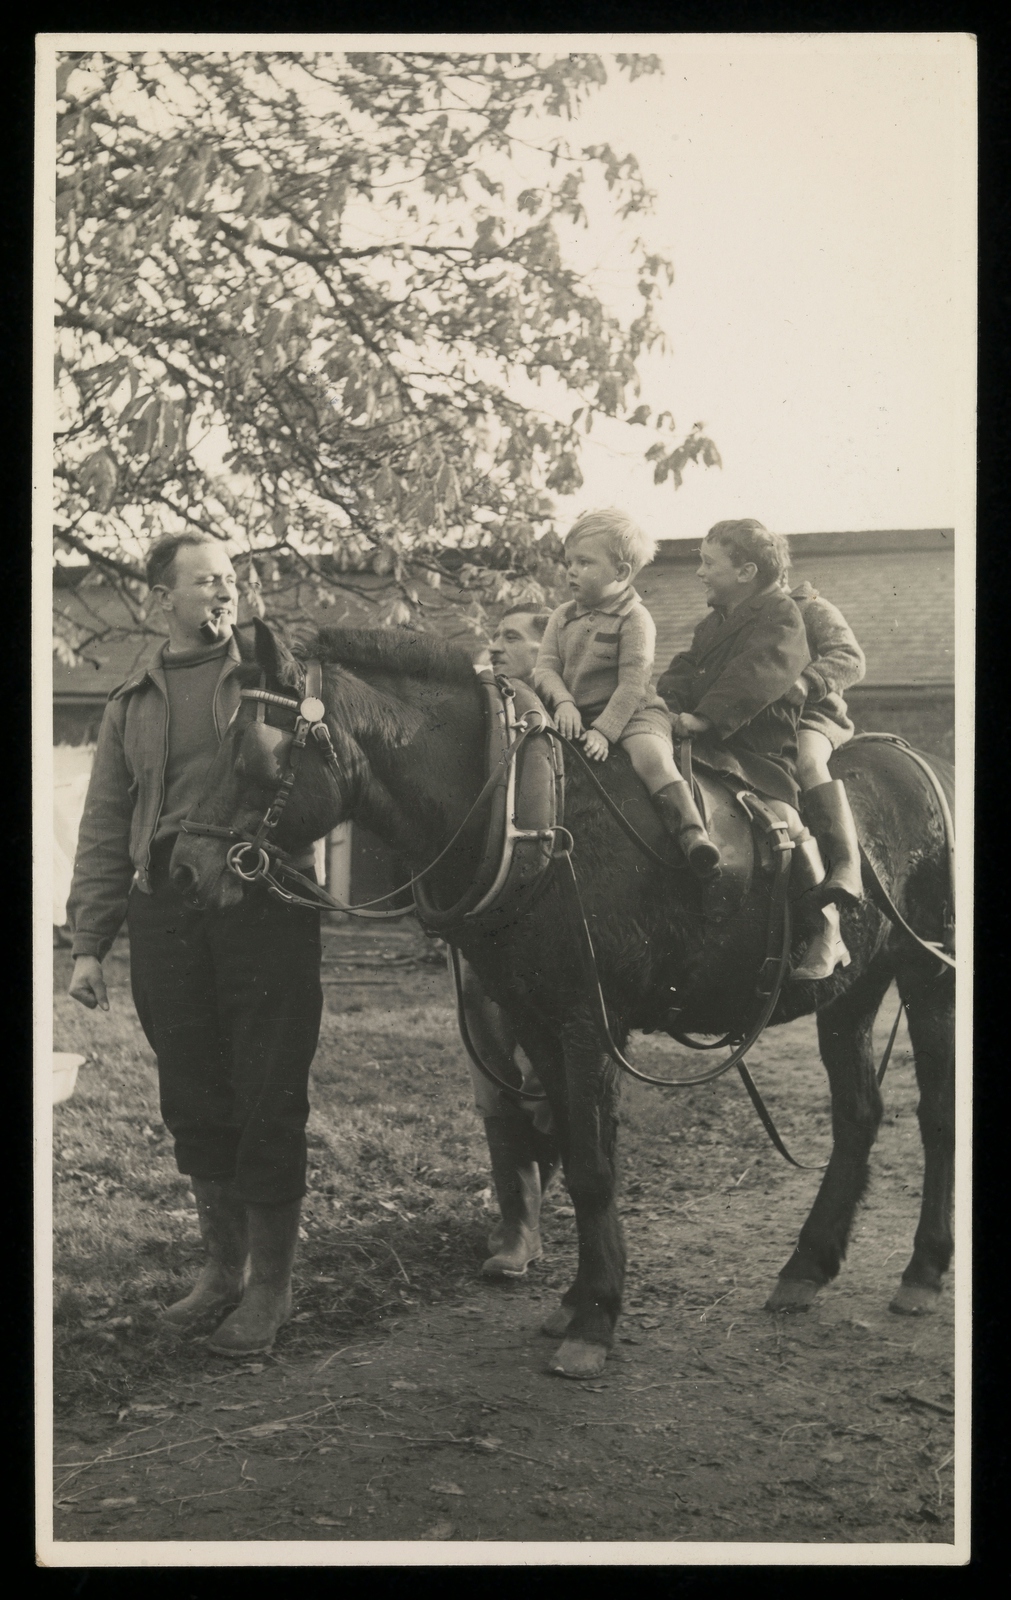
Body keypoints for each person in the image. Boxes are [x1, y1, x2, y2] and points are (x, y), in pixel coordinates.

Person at [66, 533, 323, 1357]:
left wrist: (281, 687)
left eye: (232, 581)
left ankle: (272, 1289)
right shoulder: (128, 703)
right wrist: (89, 944)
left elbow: (314, 779)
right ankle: (222, 1271)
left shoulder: (271, 678)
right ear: (160, 599)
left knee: (266, 1092)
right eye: (207, 582)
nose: (225, 593)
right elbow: (106, 824)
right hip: (164, 913)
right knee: (194, 1093)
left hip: (261, 904)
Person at [656, 519, 856, 979]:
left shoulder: (784, 614)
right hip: (713, 739)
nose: (700, 573)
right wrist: (668, 702)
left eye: (708, 563)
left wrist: (704, 717)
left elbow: (758, 671)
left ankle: (827, 924)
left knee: (781, 818)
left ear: (746, 572)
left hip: (759, 746)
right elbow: (686, 668)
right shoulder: (713, 623)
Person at [534, 509, 720, 877]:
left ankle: (692, 832)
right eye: (569, 561)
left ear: (620, 573)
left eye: (584, 562)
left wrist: (605, 730)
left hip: (631, 713)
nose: (571, 570)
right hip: (572, 712)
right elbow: (545, 668)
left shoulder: (635, 618)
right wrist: (565, 702)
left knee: (651, 757)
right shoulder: (561, 616)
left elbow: (634, 682)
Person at [461, 605, 559, 1279]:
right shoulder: (477, 715)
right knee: (494, 1075)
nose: (496, 649)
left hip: (554, 928)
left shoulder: (564, 715)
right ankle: (517, 1226)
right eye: (492, 639)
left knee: (548, 1079)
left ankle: (553, 1204)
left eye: (512, 640)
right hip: (486, 926)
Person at [781, 578, 866, 977]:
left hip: (813, 717)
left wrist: (808, 682)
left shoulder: (811, 607)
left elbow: (850, 657)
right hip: (762, 726)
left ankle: (846, 865)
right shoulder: (737, 617)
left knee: (806, 762)